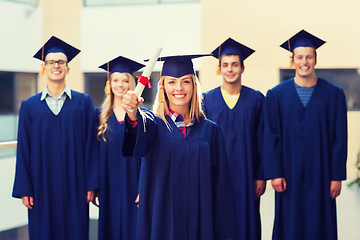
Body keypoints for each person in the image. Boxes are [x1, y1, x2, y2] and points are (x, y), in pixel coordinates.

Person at [121, 54, 237, 240]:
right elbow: (138, 129)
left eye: (185, 82)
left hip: (201, 224)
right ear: (163, 86)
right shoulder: (154, 126)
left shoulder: (211, 131)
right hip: (163, 222)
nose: (179, 88)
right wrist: (133, 113)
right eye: (172, 82)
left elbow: (223, 190)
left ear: (194, 85)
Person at [263, 30, 348, 240]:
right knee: (289, 226)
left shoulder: (333, 94)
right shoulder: (276, 95)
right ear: (292, 61)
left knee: (320, 225)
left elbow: (339, 138)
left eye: (309, 57)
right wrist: (275, 173)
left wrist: (336, 176)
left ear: (316, 60)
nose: (304, 62)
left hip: (322, 173)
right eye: (299, 57)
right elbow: (270, 135)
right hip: (288, 174)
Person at [12, 36, 98, 240]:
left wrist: (91, 183)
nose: (56, 66)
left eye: (61, 62)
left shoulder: (84, 102)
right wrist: (25, 188)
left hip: (75, 183)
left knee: (75, 232)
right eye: (51, 62)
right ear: (44, 67)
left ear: (68, 68)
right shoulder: (29, 106)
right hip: (41, 185)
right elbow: (24, 148)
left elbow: (91, 146)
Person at [202, 38, 266, 240]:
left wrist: (261, 175)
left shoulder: (256, 99)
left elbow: (264, 140)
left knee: (247, 225)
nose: (230, 69)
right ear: (219, 69)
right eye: (225, 65)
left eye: (235, 65)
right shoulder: (207, 100)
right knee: (218, 223)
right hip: (216, 176)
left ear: (243, 68)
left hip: (248, 176)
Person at [96, 55, 144, 240]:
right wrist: (95, 184)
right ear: (109, 84)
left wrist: (144, 186)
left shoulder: (142, 116)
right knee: (111, 227)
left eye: (125, 80)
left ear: (131, 83)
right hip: (109, 183)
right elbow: (93, 153)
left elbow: (147, 155)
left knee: (135, 228)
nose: (120, 85)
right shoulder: (99, 117)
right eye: (115, 80)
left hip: (134, 182)